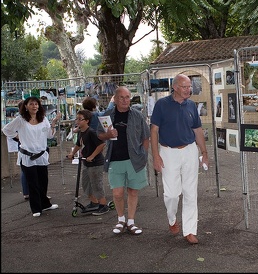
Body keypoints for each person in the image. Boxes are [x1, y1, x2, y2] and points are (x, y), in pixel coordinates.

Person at [150, 73, 209, 245]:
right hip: (168, 152)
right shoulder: (161, 105)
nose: (188, 90)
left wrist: (204, 153)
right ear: (175, 87)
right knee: (172, 195)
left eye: (189, 86)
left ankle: (190, 230)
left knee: (191, 193)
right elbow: (154, 131)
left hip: (189, 151)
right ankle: (172, 219)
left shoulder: (191, 105)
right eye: (184, 87)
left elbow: (197, 130)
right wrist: (155, 156)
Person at [97, 86, 150, 235]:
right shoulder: (107, 115)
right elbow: (99, 135)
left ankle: (131, 222)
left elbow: (146, 137)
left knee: (133, 191)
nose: (126, 100)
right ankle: (121, 220)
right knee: (118, 193)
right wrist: (108, 135)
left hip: (134, 160)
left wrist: (144, 156)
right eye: (122, 97)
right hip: (115, 160)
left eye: (128, 97)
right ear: (115, 99)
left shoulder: (137, 115)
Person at [2, 96, 62, 217]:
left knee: (43, 181)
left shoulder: (43, 119)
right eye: (31, 104)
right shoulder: (21, 120)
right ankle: (36, 208)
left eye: (36, 104)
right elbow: (6, 130)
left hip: (41, 155)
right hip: (27, 156)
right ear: (26, 106)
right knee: (32, 183)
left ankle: (45, 204)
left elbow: (49, 135)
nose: (34, 106)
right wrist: (18, 137)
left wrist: (54, 122)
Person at [66, 109, 109, 215]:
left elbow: (102, 144)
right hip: (86, 162)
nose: (77, 121)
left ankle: (103, 205)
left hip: (95, 163)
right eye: (77, 119)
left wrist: (92, 156)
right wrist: (72, 154)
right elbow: (78, 144)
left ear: (87, 121)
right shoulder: (81, 132)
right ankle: (94, 202)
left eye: (80, 119)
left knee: (96, 184)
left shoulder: (91, 132)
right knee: (86, 184)